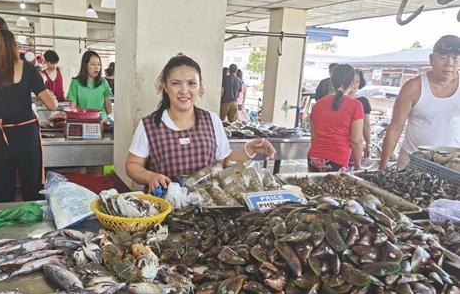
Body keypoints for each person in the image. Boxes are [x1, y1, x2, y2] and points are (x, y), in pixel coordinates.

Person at [126, 55, 275, 191]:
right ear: (165, 86)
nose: (184, 90)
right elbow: (132, 165)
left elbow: (223, 161)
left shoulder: (212, 120)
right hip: (163, 209)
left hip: (206, 208)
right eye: (176, 83)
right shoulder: (149, 125)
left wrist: (250, 148)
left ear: (199, 87)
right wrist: (150, 177)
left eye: (191, 83)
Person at [0, 14, 57, 203]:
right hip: (26, 135)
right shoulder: (29, 69)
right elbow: (51, 105)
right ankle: (37, 231)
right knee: (32, 190)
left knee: (1, 192)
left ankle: (2, 230)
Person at [380, 35, 460, 169]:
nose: (449, 63)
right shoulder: (413, 87)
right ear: (431, 59)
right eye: (443, 57)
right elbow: (395, 127)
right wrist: (382, 167)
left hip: (452, 166)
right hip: (412, 162)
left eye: (455, 58)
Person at [307, 64, 364, 172]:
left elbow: (314, 138)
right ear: (352, 83)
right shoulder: (356, 106)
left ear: (332, 81)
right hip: (338, 159)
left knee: (313, 188)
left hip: (313, 158)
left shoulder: (318, 104)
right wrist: (358, 166)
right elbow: (356, 140)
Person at [67, 50, 112, 120]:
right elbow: (73, 109)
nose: (97, 67)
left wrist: (111, 122)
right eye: (93, 64)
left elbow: (108, 107)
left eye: (99, 64)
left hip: (102, 123)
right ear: (85, 65)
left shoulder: (103, 82)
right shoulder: (75, 83)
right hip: (83, 122)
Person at [347, 68, 372, 160]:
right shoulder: (336, 101)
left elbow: (366, 124)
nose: (353, 84)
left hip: (355, 145)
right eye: (351, 81)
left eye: (357, 82)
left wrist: (369, 144)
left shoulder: (363, 101)